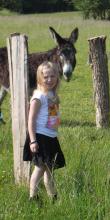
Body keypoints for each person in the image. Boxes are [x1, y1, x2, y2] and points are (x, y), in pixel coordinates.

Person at [23, 61, 65, 201]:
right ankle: (32, 197)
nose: (49, 79)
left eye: (52, 76)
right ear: (40, 78)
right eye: (46, 77)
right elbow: (31, 120)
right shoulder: (38, 97)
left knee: (50, 170)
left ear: (57, 77)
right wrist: (33, 140)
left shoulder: (52, 94)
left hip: (51, 137)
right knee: (40, 168)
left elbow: (53, 117)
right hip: (40, 138)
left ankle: (53, 197)